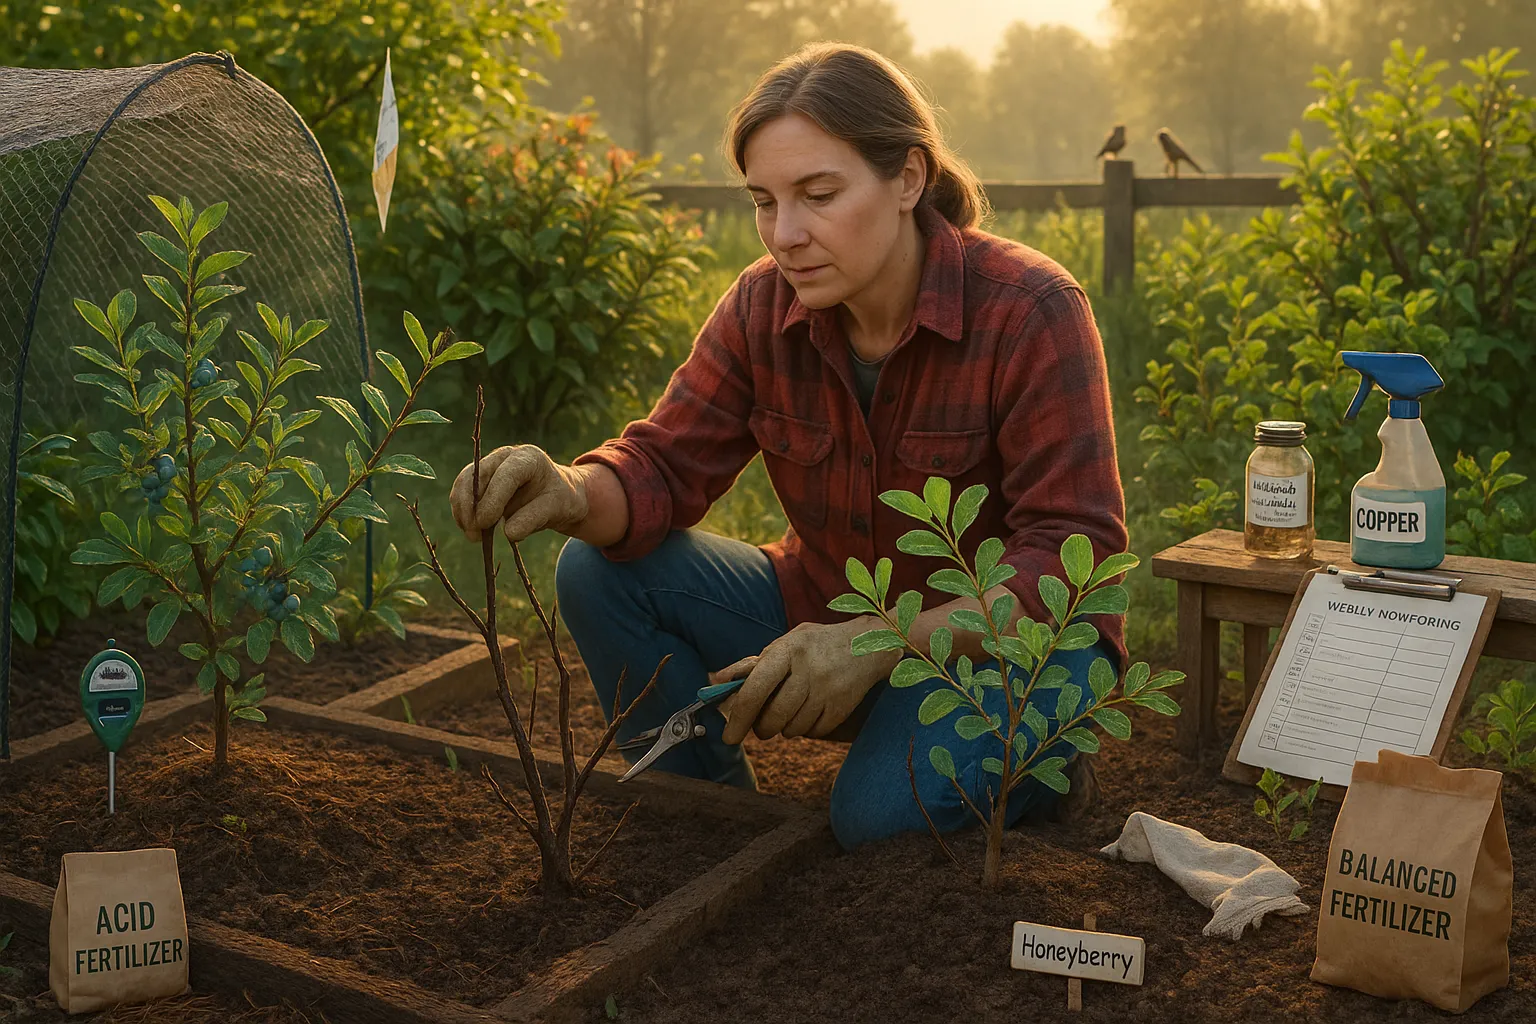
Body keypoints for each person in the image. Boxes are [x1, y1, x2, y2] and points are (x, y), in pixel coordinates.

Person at [449, 43, 1127, 851]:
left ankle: (1044, 761)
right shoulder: (762, 308)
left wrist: (876, 644)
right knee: (596, 570)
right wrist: (568, 487)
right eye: (764, 202)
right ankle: (711, 820)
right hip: (828, 612)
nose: (786, 234)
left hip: (1008, 651)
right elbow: (664, 464)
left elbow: (1070, 564)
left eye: (818, 194)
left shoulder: (1030, 310)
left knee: (875, 820)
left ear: (908, 178)